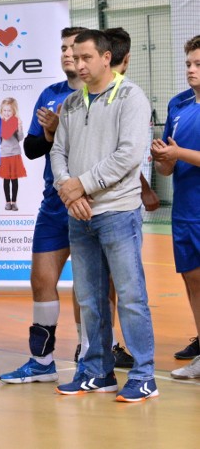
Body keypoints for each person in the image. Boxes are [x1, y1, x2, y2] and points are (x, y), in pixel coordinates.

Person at [51, 29, 157, 402]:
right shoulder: (72, 102)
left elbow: (128, 155)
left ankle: (144, 375)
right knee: (90, 299)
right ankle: (97, 370)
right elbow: (57, 153)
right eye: (74, 57)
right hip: (78, 214)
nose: (77, 64)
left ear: (106, 58)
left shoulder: (131, 97)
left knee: (130, 296)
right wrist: (69, 189)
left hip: (117, 213)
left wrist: (82, 184)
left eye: (85, 58)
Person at [0, 27, 87, 384]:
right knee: (41, 279)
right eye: (64, 48)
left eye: (75, 49)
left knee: (88, 285)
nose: (68, 54)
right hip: (55, 203)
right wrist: (50, 132)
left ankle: (89, 357)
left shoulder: (102, 95)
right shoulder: (50, 94)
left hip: (90, 203)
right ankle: (42, 360)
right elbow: (33, 149)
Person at [151, 35, 200, 380]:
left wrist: (178, 154)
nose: (191, 70)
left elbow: (181, 153)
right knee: (192, 280)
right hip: (185, 211)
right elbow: (168, 163)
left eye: (198, 64)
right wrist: (163, 162)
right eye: (188, 64)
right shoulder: (178, 105)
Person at [0, 97, 26, 211]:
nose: (7, 113)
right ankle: (7, 202)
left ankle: (14, 202)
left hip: (14, 153)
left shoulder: (15, 121)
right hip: (4, 154)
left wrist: (19, 128)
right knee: (6, 179)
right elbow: (0, 140)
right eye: (4, 110)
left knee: (14, 179)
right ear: (1, 111)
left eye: (9, 111)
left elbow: (20, 138)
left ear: (13, 111)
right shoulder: (0, 123)